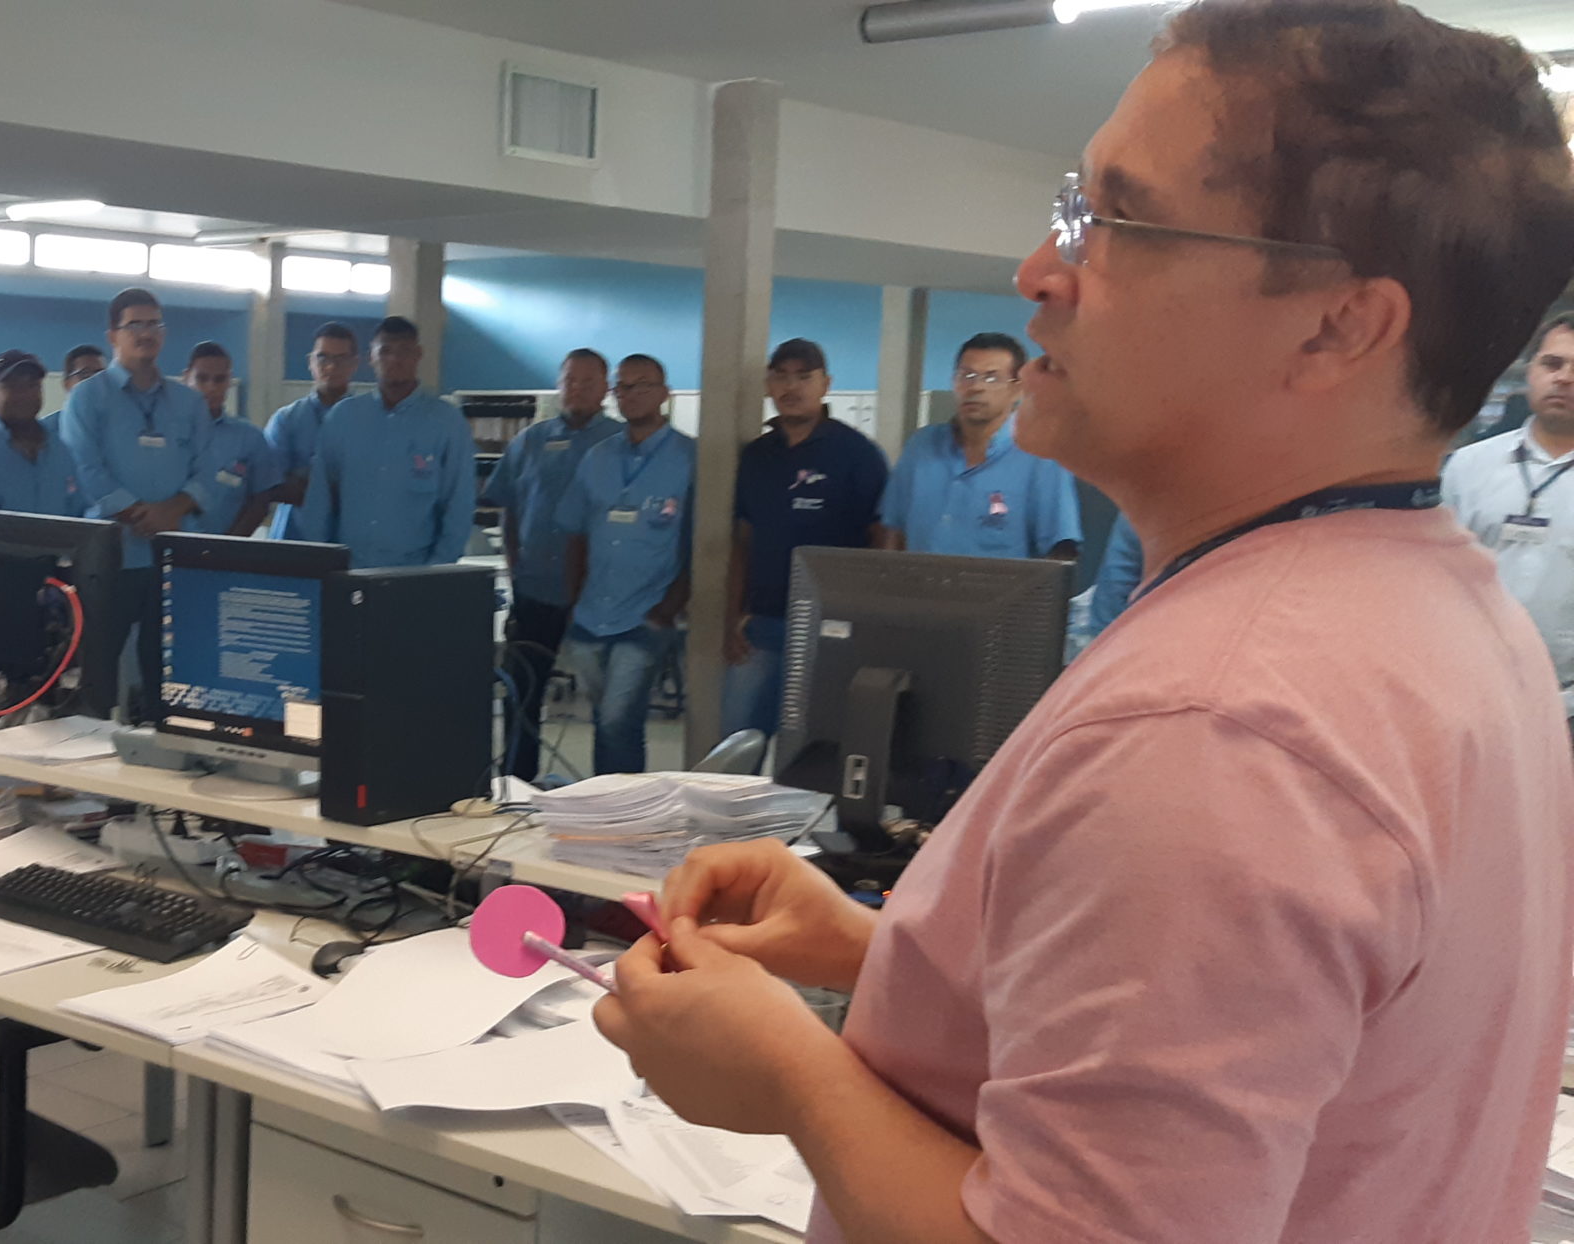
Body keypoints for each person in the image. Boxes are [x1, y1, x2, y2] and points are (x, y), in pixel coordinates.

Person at [594, 5, 1574, 1241]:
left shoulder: (1216, 726)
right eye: (1073, 206)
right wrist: (887, 953)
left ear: (1337, 324)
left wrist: (792, 1075)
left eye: (1119, 221)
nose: (1037, 271)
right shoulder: (1440, 607)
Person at [59, 288, 230, 716]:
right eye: (134, 324)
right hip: (110, 558)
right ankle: (91, 755)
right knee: (98, 674)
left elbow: (208, 470)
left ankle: (162, 747)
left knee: (167, 676)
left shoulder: (188, 402)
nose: (146, 332)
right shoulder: (88, 397)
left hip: (171, 558)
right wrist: (140, 514)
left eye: (154, 323)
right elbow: (85, 469)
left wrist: (170, 512)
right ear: (113, 335)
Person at [720, 339, 888, 741]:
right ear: (768, 385)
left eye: (804, 377)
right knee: (735, 743)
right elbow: (744, 540)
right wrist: (731, 617)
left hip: (830, 629)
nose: (791, 387)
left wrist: (866, 622)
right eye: (781, 376)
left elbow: (882, 540)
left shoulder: (857, 454)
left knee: (810, 748)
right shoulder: (757, 455)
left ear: (825, 384)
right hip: (762, 625)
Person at [484, 348, 620, 781]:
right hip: (535, 592)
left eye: (587, 381)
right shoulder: (530, 441)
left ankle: (606, 796)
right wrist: (515, 566)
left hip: (601, 600)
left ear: (605, 388)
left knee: (610, 710)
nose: (577, 389)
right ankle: (516, 785)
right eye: (569, 380)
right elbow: (509, 508)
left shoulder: (621, 442)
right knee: (520, 695)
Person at [555, 354, 692, 777]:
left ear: (665, 393)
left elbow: (701, 543)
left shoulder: (691, 458)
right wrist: (574, 601)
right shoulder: (597, 457)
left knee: (618, 719)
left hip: (646, 614)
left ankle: (627, 808)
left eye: (643, 385)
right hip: (592, 614)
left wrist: (668, 609)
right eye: (624, 387)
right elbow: (576, 533)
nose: (632, 395)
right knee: (605, 721)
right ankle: (608, 799)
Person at [1444, 311, 1574, 732]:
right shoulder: (1468, 467)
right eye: (1552, 363)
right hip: (1469, 698)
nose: (1564, 378)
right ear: (1530, 371)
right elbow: (1434, 579)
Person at [879, 333, 1082, 561]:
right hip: (919, 583)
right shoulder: (922, 447)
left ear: (1018, 389)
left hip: (1004, 585)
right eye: (966, 376)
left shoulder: (1041, 457)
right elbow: (892, 529)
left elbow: (1060, 550)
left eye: (991, 378)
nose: (975, 387)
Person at [317, 317, 476, 568]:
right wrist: (323, 560)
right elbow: (320, 496)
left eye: (404, 351)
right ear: (371, 357)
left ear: (418, 355)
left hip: (415, 571)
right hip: (347, 568)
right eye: (385, 351)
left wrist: (437, 569)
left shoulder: (447, 422)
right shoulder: (343, 418)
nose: (394, 359)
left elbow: (459, 504)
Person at [262, 322, 359, 543]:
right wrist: (337, 488)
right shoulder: (286, 420)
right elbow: (272, 485)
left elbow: (375, 484)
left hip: (351, 541)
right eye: (323, 357)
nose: (331, 366)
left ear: (355, 363)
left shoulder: (369, 421)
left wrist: (303, 481)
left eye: (341, 359)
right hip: (293, 539)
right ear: (310, 362)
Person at [0, 350, 86, 519]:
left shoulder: (62, 448)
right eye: (12, 386)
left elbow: (78, 511)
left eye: (32, 385)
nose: (24, 395)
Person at [181, 341, 281, 537]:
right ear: (186, 378)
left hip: (226, 546)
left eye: (219, 379)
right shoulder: (169, 434)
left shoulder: (250, 438)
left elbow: (260, 502)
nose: (211, 387)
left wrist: (227, 546)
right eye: (202, 378)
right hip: (168, 544)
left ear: (229, 381)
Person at [52, 344, 106, 434]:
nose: (94, 381)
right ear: (67, 384)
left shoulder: (120, 425)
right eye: (85, 374)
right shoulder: (47, 431)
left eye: (100, 374)